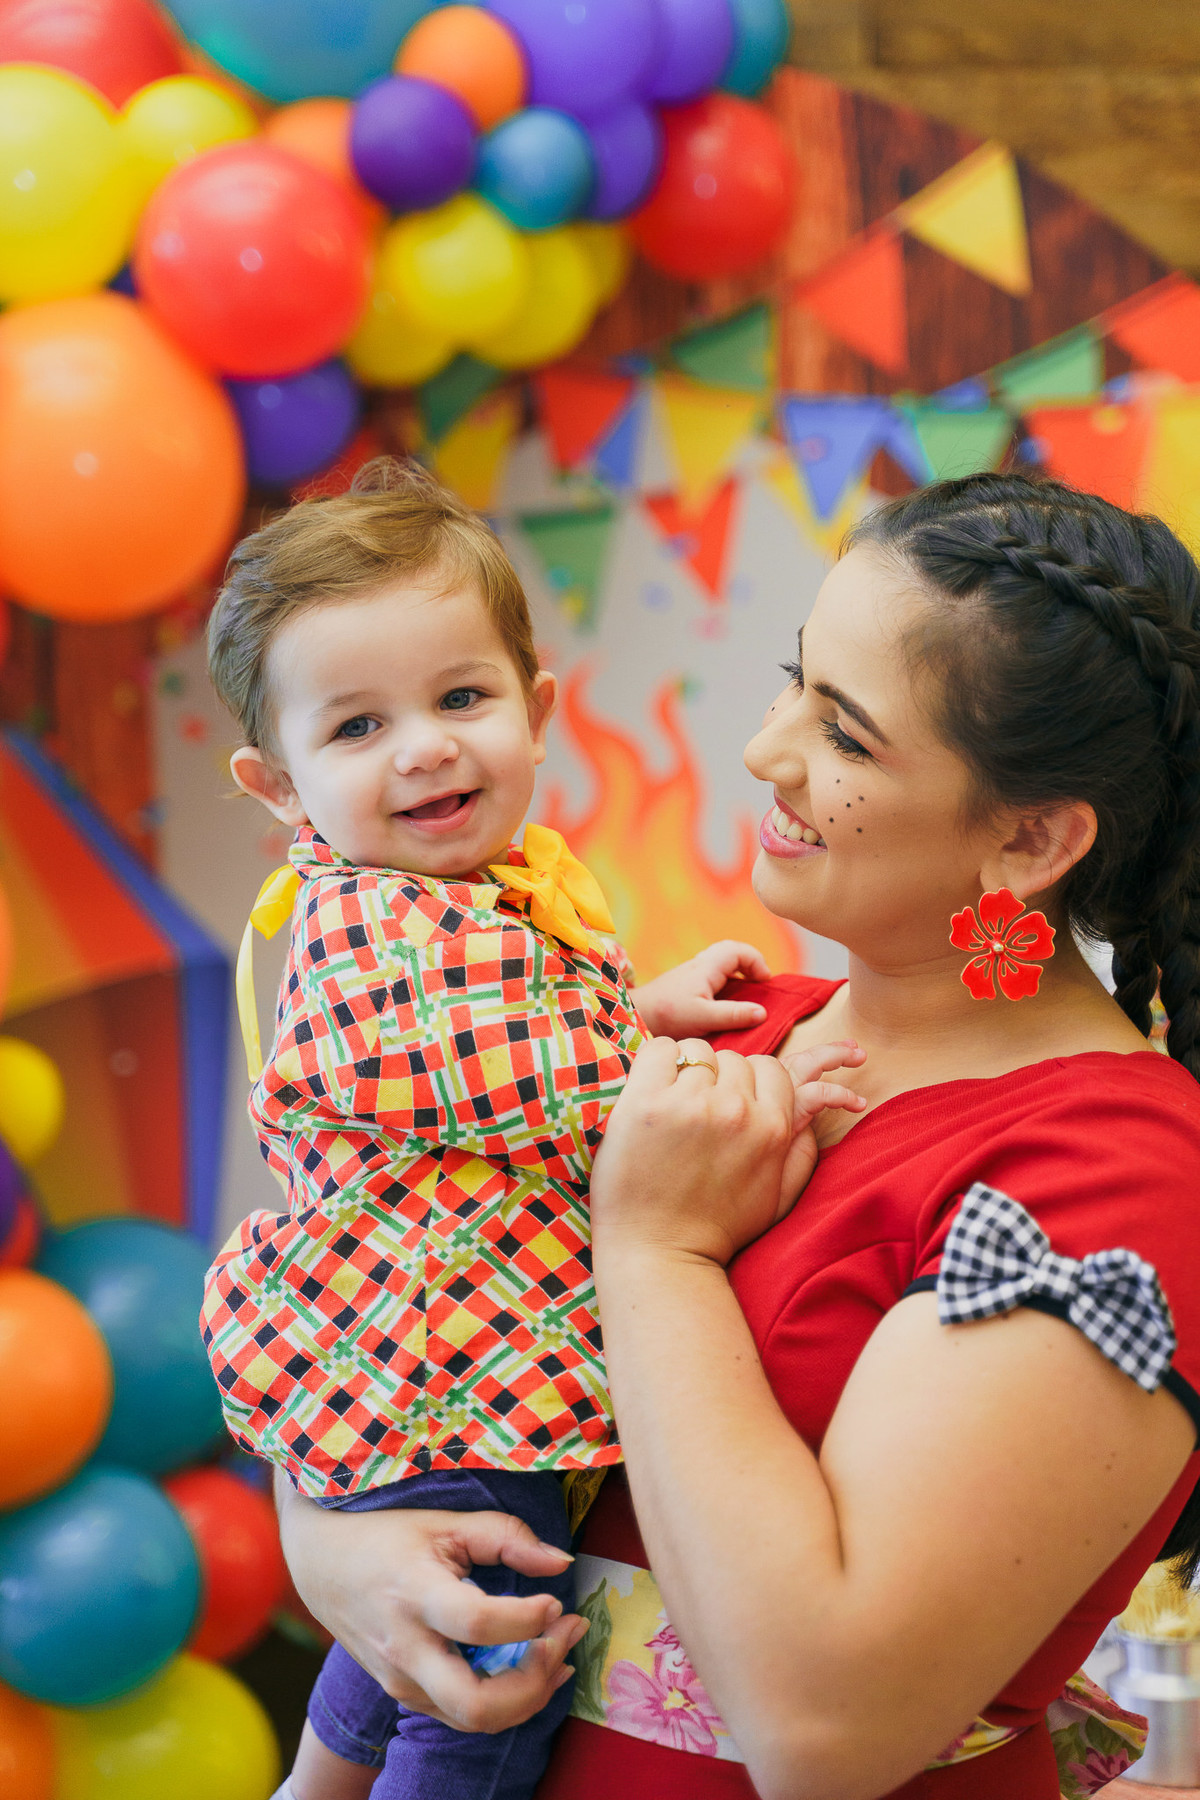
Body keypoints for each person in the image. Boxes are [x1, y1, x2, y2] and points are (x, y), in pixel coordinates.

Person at [272, 473, 1200, 1800]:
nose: (768, 753)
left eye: (849, 735)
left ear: (1031, 837)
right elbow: (401, 1303)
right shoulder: (724, 1031)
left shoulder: (1119, 1168)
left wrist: (655, 1254)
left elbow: (825, 1731)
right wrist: (338, 1552)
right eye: (793, 680)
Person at [199, 459, 790, 1800]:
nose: (424, 746)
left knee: (408, 1640)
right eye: (356, 728)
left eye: (461, 698)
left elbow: (496, 1057)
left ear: (532, 712)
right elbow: (527, 1079)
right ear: (280, 785)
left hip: (430, 1375)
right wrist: (726, 1086)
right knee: (488, 1694)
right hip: (448, 1380)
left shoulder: (476, 904)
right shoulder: (371, 926)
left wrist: (638, 1005)